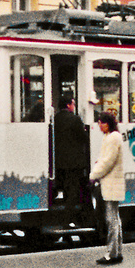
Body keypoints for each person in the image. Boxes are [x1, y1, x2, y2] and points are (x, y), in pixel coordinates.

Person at [90, 110, 126, 265]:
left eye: (101, 122)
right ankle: (117, 251)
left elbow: (107, 161)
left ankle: (111, 254)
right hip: (112, 183)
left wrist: (93, 175)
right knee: (115, 219)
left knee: (111, 219)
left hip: (111, 184)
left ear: (108, 123)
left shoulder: (112, 138)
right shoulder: (111, 137)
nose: (99, 125)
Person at [52, 96, 91, 225]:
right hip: (74, 163)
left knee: (64, 189)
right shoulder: (75, 119)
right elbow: (84, 138)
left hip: (59, 163)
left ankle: (63, 217)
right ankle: (68, 219)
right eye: (73, 104)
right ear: (69, 105)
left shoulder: (55, 119)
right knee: (73, 192)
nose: (74, 107)